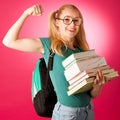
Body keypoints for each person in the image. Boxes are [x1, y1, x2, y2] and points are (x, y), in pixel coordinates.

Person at [3, 4, 108, 120]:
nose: (72, 24)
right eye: (66, 19)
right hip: (67, 114)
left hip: (88, 111)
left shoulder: (82, 51)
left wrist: (98, 86)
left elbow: (93, 94)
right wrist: (26, 14)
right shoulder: (49, 45)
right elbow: (9, 41)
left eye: (76, 20)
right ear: (57, 22)